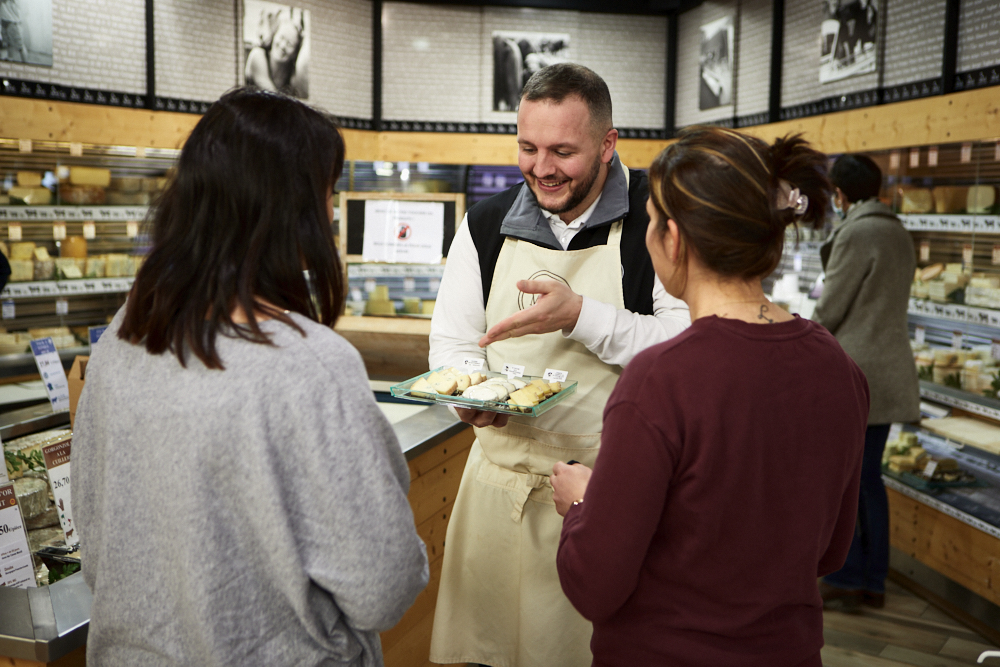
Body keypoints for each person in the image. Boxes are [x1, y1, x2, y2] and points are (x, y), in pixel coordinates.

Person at [74, 88, 428, 667]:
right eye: (327, 193)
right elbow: (383, 586)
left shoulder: (123, 339)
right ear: (288, 206)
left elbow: (97, 550)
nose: (332, 213)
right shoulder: (310, 364)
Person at [550, 126, 869, 666]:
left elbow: (594, 585)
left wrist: (583, 503)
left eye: (650, 221)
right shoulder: (839, 369)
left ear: (673, 239)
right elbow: (831, 550)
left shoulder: (660, 381)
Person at [428, 63, 690, 667]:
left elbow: (685, 350)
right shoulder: (486, 223)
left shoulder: (656, 218)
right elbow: (455, 343)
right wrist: (468, 399)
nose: (542, 168)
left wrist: (580, 316)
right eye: (528, 147)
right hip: (497, 487)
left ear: (607, 144)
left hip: (609, 494)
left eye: (563, 151)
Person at [814, 153, 920, 611]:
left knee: (850, 480)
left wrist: (800, 335)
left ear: (839, 193)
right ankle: (872, 578)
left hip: (857, 371)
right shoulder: (896, 229)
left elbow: (831, 307)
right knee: (869, 479)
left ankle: (852, 573)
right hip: (892, 366)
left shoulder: (858, 232)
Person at [245, 8, 309, 99]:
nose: (283, 46)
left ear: (295, 53)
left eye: (289, 44)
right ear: (274, 36)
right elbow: (274, 97)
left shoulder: (292, 75)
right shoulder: (258, 55)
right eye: (281, 37)